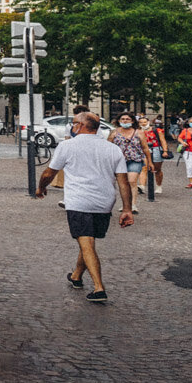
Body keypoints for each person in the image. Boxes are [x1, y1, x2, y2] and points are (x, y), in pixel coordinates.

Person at [33, 113, 134, 303]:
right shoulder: (113, 149)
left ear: (80, 126)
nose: (72, 127)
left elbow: (49, 172)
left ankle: (99, 288)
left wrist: (41, 187)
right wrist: (127, 208)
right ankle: (76, 276)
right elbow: (123, 182)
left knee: (86, 243)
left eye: (73, 124)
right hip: (104, 202)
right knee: (87, 240)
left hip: (79, 201)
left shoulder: (67, 146)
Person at [109, 113, 148, 214]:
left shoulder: (139, 132)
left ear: (132, 121)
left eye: (127, 119)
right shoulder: (114, 132)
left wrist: (149, 162)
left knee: (131, 181)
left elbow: (145, 148)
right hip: (118, 161)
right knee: (122, 184)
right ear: (118, 121)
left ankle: (133, 205)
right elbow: (108, 147)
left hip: (135, 159)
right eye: (122, 119)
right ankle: (125, 204)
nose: (125, 121)